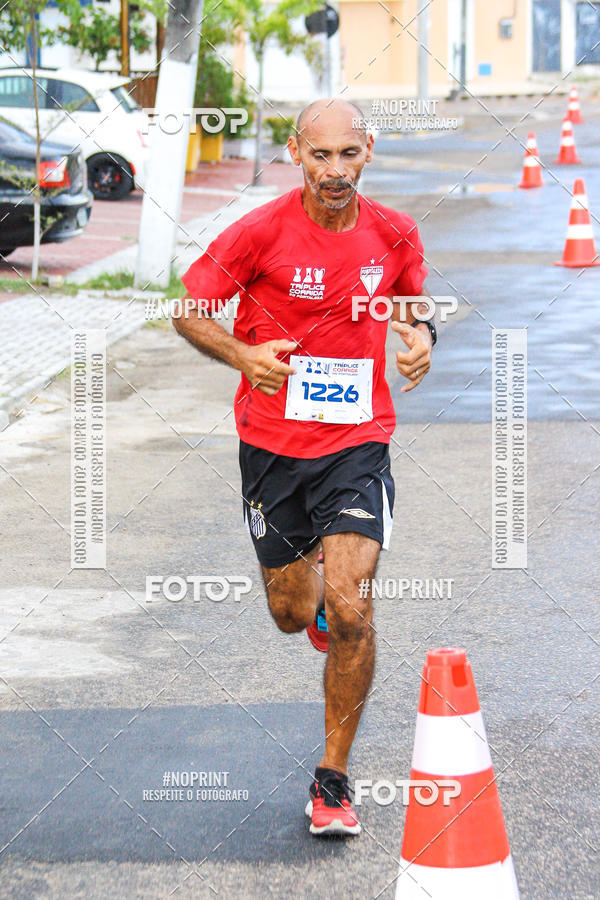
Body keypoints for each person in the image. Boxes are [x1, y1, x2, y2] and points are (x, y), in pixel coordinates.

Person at [173, 98, 435, 836]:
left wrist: (420, 336)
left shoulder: (394, 232)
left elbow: (412, 303)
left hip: (357, 443)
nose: (334, 170)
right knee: (292, 615)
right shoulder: (261, 231)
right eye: (320, 156)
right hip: (271, 445)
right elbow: (185, 306)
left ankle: (333, 781)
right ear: (297, 153)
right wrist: (242, 354)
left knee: (354, 607)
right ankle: (310, 594)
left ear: (368, 153)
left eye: (347, 154)